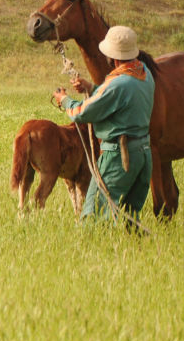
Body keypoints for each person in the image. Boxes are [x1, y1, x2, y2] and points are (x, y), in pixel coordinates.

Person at [52, 25, 155, 221]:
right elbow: (121, 99)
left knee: (93, 216)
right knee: (130, 217)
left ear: (113, 57)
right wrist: (91, 87)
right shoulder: (145, 74)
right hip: (143, 154)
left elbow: (82, 112)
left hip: (119, 156)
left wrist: (64, 100)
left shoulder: (117, 83)